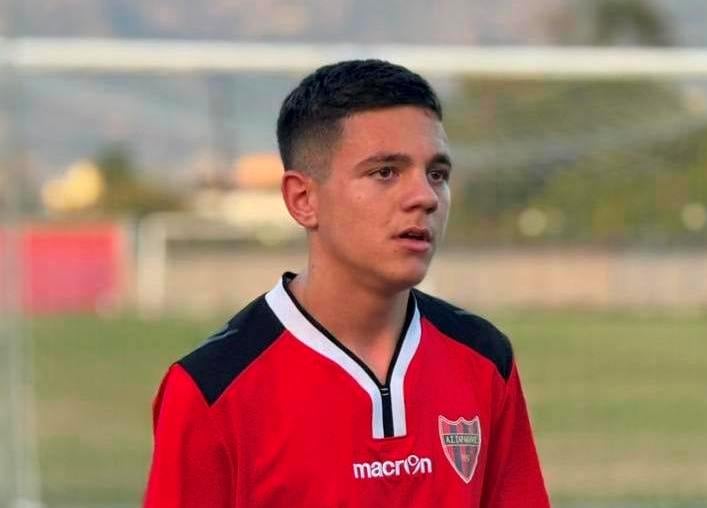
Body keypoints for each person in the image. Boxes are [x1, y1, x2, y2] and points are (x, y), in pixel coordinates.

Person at [143, 59, 549, 507]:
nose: (425, 197)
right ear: (303, 199)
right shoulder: (211, 388)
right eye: (385, 172)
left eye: (437, 174)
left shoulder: (484, 358)